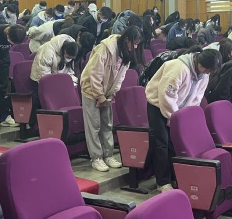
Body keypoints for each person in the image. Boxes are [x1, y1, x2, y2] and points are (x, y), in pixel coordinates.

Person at [146, 48, 222, 192]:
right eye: (206, 69)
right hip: (158, 105)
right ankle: (162, 182)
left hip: (177, 110)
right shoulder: (178, 67)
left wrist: (183, 117)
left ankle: (174, 177)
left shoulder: (204, 75)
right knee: (161, 143)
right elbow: (166, 95)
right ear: (199, 61)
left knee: (175, 143)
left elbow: (196, 98)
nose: (207, 73)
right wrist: (172, 116)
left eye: (210, 71)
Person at [80, 26, 143, 172]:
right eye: (134, 43)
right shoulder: (105, 48)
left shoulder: (126, 52)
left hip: (107, 92)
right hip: (91, 90)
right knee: (94, 126)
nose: (135, 47)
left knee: (107, 125)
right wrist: (99, 95)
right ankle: (96, 158)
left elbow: (121, 76)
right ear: (126, 39)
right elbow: (95, 74)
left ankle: (108, 155)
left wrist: (112, 92)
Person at [30, 35, 80, 127]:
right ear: (64, 51)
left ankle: (60, 125)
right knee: (41, 102)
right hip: (41, 78)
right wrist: (56, 86)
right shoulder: (47, 51)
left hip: (57, 80)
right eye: (68, 57)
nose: (69, 59)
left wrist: (72, 82)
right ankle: (34, 126)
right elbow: (44, 76)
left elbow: (69, 71)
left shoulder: (73, 48)